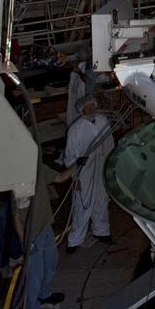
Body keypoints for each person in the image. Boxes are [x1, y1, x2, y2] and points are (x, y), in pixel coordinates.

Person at [14, 135, 72, 309]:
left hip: (46, 228)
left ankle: (44, 294)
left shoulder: (38, 169)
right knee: (35, 273)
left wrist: (77, 165)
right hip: (33, 235)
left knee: (51, 263)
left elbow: (60, 178)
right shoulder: (19, 182)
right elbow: (16, 218)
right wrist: (26, 242)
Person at [61, 94, 114, 252]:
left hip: (101, 167)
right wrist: (74, 178)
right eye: (88, 107)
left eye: (93, 106)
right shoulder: (75, 129)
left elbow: (109, 143)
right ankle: (75, 239)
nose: (92, 109)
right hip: (83, 172)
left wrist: (110, 166)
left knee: (101, 201)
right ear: (81, 110)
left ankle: (101, 231)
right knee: (82, 205)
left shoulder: (102, 121)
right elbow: (70, 156)